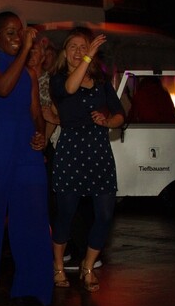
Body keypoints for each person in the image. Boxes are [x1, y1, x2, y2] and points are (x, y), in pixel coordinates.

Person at [0, 11, 53, 306]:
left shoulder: (29, 74)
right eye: (10, 32)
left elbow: (36, 114)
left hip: (26, 152)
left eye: (20, 31)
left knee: (32, 219)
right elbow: (2, 88)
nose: (18, 37)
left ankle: (32, 289)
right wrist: (26, 50)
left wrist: (41, 135)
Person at [49, 30, 125, 290]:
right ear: (64, 52)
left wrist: (108, 122)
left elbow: (120, 114)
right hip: (71, 152)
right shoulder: (58, 80)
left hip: (99, 152)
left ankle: (88, 266)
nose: (79, 50)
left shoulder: (101, 82)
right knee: (66, 214)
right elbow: (71, 88)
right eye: (73, 46)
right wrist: (88, 57)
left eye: (84, 46)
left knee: (104, 214)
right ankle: (58, 267)